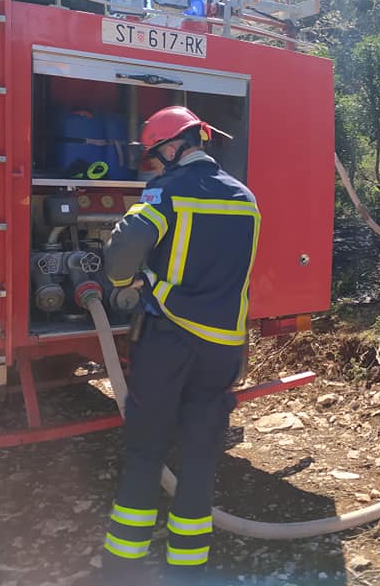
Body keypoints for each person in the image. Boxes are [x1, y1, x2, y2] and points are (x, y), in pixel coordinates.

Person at [100, 105, 260, 584]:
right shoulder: (245, 197)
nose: (154, 164)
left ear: (172, 148)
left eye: (155, 156)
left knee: (147, 450)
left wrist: (122, 281)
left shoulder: (166, 192)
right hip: (223, 348)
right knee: (199, 453)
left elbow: (125, 248)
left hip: (169, 340)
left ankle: (123, 564)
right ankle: (188, 564)